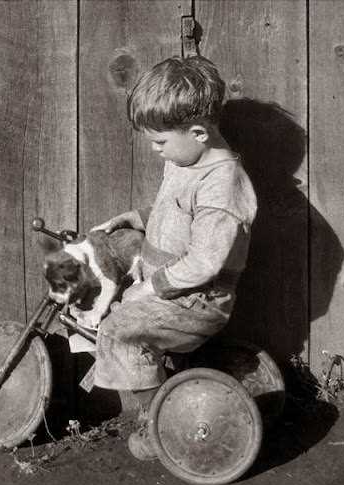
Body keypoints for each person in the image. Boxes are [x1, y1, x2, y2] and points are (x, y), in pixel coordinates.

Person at [90, 56, 257, 460]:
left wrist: (148, 290)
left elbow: (203, 263)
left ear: (198, 132)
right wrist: (139, 218)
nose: (156, 151)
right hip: (174, 283)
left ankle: (161, 421)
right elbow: (177, 210)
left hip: (197, 300)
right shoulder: (188, 157)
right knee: (107, 249)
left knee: (119, 330)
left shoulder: (222, 187)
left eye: (160, 142)